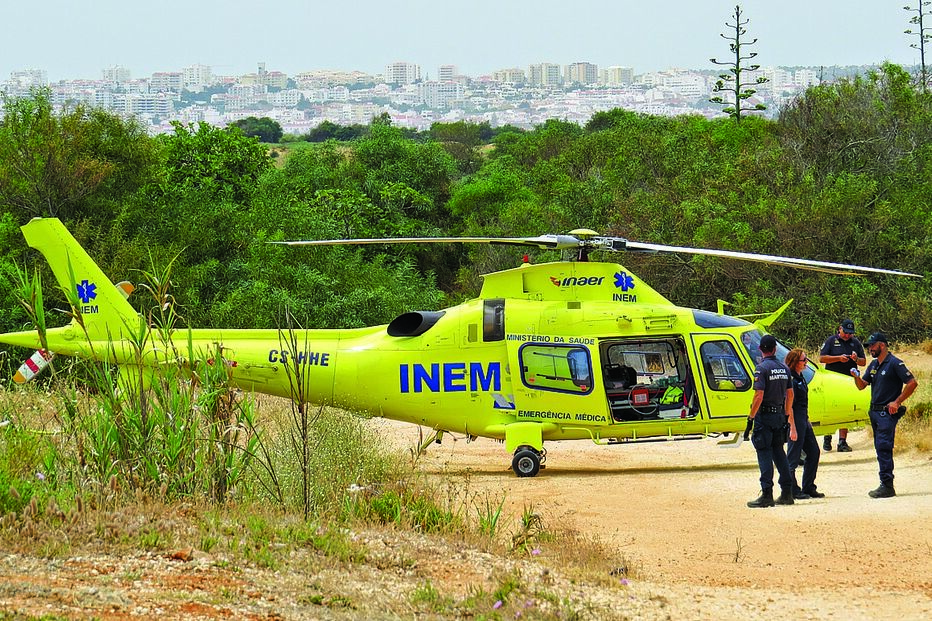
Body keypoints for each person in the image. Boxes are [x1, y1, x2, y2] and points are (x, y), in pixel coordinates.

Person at [850, 332, 918, 498]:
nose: (870, 349)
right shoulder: (874, 364)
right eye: (869, 346)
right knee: (880, 447)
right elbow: (862, 386)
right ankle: (885, 483)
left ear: (882, 345)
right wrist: (856, 377)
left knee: (884, 447)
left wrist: (897, 401)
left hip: (886, 413)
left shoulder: (894, 363)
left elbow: (912, 383)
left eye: (872, 345)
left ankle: (887, 485)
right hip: (874, 412)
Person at [746, 334, 797, 508]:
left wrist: (751, 416)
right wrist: (787, 413)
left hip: (765, 416)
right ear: (775, 349)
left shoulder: (761, 369)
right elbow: (790, 395)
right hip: (779, 416)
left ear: (761, 349)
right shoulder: (784, 368)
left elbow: (758, 395)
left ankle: (767, 493)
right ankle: (787, 492)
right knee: (779, 452)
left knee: (764, 452)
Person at [819, 319, 866, 452]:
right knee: (830, 409)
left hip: (848, 381)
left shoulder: (855, 343)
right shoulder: (831, 341)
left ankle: (842, 441)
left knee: (846, 409)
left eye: (850, 333)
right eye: (845, 332)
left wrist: (856, 359)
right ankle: (827, 436)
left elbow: (863, 362)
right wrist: (838, 358)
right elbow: (822, 358)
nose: (847, 335)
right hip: (832, 381)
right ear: (840, 329)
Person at [783, 348, 825, 500]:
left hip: (803, 420)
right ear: (795, 362)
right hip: (795, 421)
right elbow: (789, 406)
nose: (806, 362)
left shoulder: (801, 378)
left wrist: (806, 421)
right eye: (804, 360)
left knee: (813, 452)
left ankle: (808, 486)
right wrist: (792, 427)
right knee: (793, 457)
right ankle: (792, 489)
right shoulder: (792, 381)